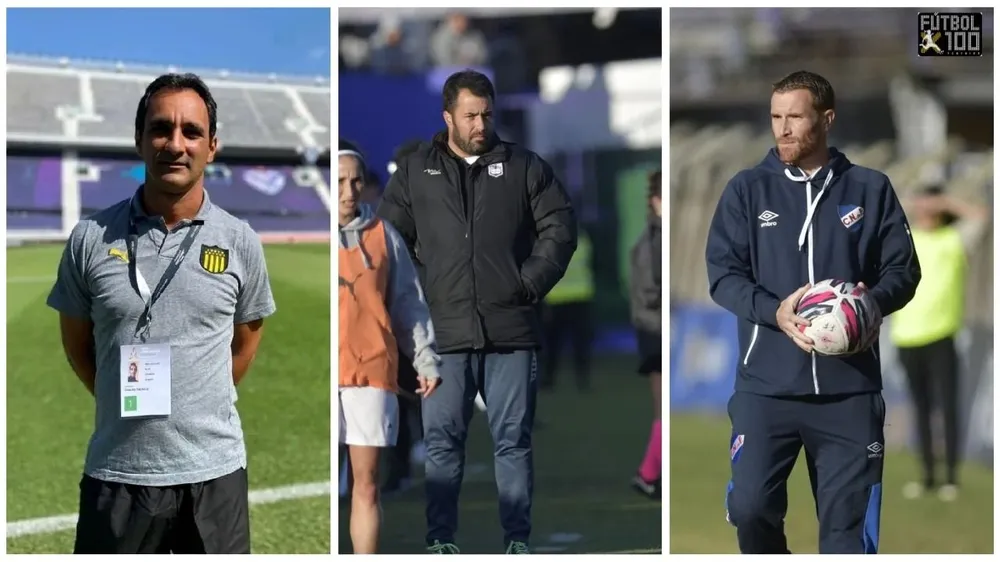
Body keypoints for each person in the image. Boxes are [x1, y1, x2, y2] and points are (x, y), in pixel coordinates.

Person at [46, 73, 276, 554]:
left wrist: (198, 400)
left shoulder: (240, 241)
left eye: (191, 131)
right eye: (161, 129)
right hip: (118, 473)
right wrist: (120, 396)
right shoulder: (91, 237)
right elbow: (77, 344)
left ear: (211, 147)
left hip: (214, 476)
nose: (175, 144)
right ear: (139, 141)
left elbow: (246, 344)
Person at [705, 70, 921, 555]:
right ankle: (742, 493)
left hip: (850, 393)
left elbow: (903, 270)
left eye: (795, 117)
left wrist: (869, 306)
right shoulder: (746, 191)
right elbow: (724, 275)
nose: (782, 128)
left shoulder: (870, 188)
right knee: (751, 509)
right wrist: (772, 313)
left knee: (848, 539)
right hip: (766, 388)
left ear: (826, 119)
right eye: (775, 117)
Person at [377, 69, 577, 554]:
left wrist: (528, 282)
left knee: (513, 442)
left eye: (487, 114)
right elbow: (387, 242)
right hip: (442, 335)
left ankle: (517, 540)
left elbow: (561, 227)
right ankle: (441, 539)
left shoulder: (525, 166)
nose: (481, 124)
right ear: (448, 116)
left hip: (512, 331)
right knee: (443, 446)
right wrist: (416, 299)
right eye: (471, 115)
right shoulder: (414, 173)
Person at [338, 141, 442, 554]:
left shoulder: (384, 236)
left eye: (356, 181)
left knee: (365, 484)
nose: (349, 190)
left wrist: (425, 359)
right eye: (340, 181)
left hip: (372, 373)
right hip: (321, 375)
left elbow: (408, 305)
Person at [892, 185, 989, 502]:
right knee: (920, 406)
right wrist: (915, 201)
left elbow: (982, 217)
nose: (925, 208)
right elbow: (888, 213)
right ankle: (928, 477)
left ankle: (951, 477)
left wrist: (946, 201)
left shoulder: (953, 239)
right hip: (907, 335)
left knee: (946, 406)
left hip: (942, 335)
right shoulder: (905, 239)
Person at [630, 170, 663, 499]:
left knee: (660, 412)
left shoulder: (650, 236)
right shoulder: (655, 239)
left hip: (651, 332)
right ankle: (648, 474)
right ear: (656, 201)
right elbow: (653, 290)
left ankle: (650, 474)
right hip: (655, 334)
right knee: (661, 412)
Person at [540, 226, 595, 391]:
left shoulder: (549, 242)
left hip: (558, 298)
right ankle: (582, 380)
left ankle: (549, 379)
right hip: (579, 296)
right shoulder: (583, 240)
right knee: (580, 344)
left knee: (553, 344)